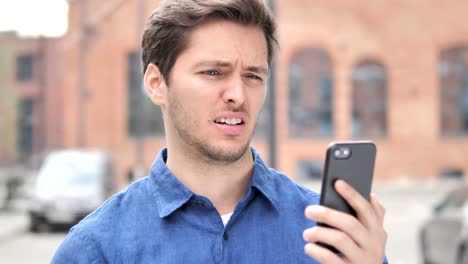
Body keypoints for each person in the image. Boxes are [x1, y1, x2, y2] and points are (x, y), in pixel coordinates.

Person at [52, 0, 388, 263]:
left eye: (253, 76)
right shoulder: (96, 249)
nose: (238, 95)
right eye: (213, 72)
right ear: (157, 84)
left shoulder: (330, 236)